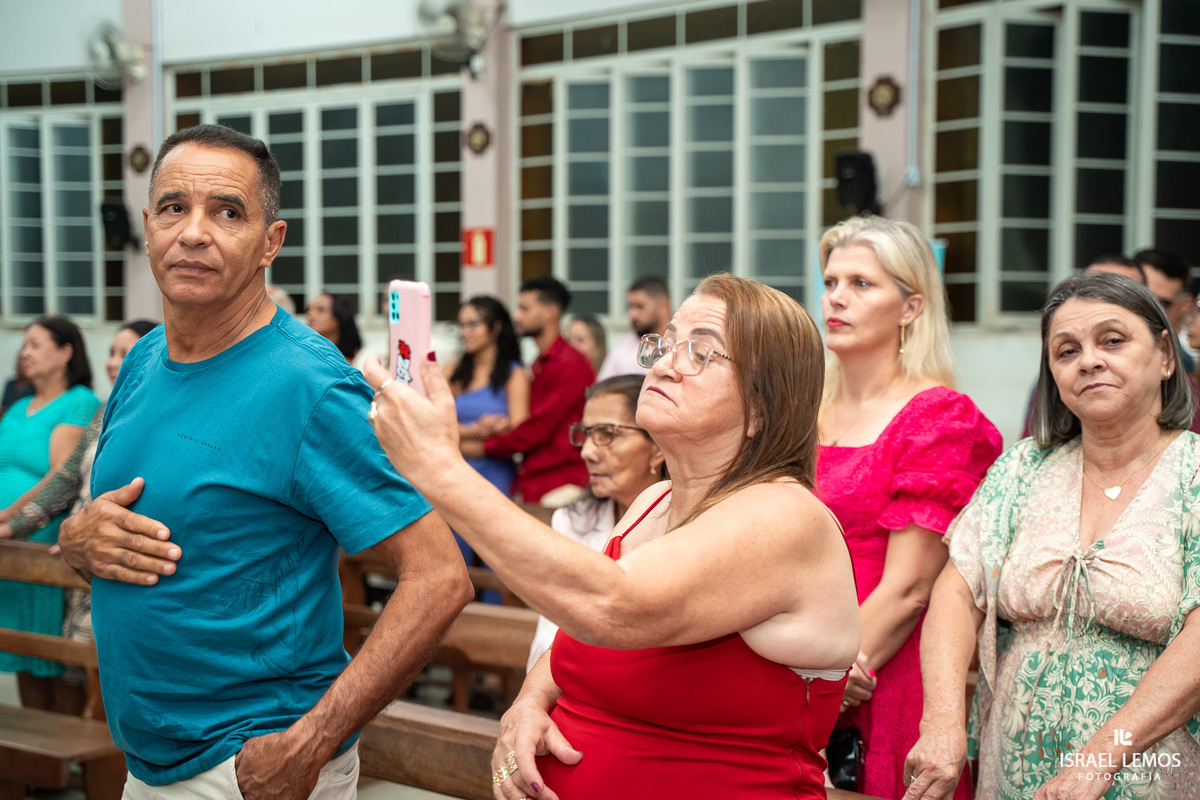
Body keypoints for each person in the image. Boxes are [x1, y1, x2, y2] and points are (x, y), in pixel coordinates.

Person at [55, 124, 472, 800]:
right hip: (147, 760)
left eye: (228, 212)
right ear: (148, 226)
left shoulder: (308, 386)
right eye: (174, 207)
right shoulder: (143, 358)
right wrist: (79, 539)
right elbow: (125, 522)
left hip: (248, 765)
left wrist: (310, 741)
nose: (194, 232)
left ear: (270, 242)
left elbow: (440, 577)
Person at [365, 272, 862, 798]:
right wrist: (530, 701)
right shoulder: (652, 501)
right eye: (665, 344)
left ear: (763, 407)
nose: (663, 364)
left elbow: (612, 607)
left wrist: (440, 468)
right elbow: (573, 631)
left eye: (700, 352)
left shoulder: (787, 515)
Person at [904, 272, 1200, 800]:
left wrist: (1099, 758)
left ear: (1164, 356)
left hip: (1149, 772)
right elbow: (957, 592)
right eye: (1066, 351)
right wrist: (942, 723)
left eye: (1113, 341)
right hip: (1011, 769)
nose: (1088, 361)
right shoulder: (1023, 469)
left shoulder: (1194, 475)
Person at [816, 216, 1002, 799]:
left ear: (910, 307)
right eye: (830, 282)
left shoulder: (938, 416)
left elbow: (911, 588)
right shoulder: (806, 409)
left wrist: (826, 678)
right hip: (795, 658)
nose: (836, 297)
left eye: (861, 284)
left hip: (877, 669)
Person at [0, 319, 158, 714]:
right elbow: (68, 478)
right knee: (81, 674)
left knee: (109, 684)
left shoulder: (160, 410)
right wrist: (12, 527)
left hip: (123, 554)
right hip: (83, 554)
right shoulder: (106, 410)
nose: (114, 362)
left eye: (125, 353)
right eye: (112, 352)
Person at [525, 374, 666, 671]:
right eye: (585, 433)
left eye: (607, 433)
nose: (587, 452)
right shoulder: (573, 521)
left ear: (658, 447)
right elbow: (548, 637)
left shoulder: (683, 529)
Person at [0, 316, 100, 712]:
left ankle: (67, 742)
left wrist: (9, 516)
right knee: (21, 650)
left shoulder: (78, 401)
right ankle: (34, 743)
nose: (24, 353)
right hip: (9, 539)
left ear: (65, 353)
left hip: (40, 535)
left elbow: (61, 475)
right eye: (24, 344)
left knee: (55, 660)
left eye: (35, 344)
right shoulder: (17, 406)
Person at [468, 277, 595, 506]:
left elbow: (537, 428)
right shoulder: (539, 364)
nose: (517, 316)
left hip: (561, 484)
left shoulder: (571, 363)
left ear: (550, 312)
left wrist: (481, 447)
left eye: (524, 308)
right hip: (533, 482)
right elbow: (529, 422)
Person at [448, 295, 530, 560]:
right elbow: (436, 423)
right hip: (455, 472)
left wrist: (502, 426)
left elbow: (519, 428)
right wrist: (478, 429)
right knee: (454, 552)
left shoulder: (514, 374)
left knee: (496, 555)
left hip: (495, 472)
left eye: (473, 324)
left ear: (495, 327)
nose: (464, 332)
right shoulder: (452, 372)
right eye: (461, 325)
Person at [596, 276, 671, 381]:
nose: (633, 315)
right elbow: (603, 388)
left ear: (664, 306)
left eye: (640, 306)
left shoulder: (684, 346)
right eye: (630, 307)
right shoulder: (622, 352)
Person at [1134, 248, 1193, 374]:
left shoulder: (1188, 362)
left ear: (1186, 304)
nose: (1152, 312)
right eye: (1143, 300)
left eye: (1163, 304)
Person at [306, 291, 364, 366]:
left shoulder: (361, 360)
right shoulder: (303, 354)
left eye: (321, 310)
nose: (311, 314)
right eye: (308, 310)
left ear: (340, 314)